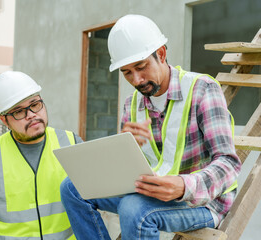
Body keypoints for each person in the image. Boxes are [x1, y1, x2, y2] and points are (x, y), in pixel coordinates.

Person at [60, 14, 241, 240]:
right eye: (126, 72)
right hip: (150, 191)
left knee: (133, 208)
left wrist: (184, 186)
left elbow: (229, 163)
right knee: (72, 188)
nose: (136, 80)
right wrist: (122, 152)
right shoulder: (131, 104)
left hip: (201, 202)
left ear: (162, 54)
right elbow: (133, 170)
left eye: (141, 66)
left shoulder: (203, 90)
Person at [0, 71, 81, 240]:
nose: (31, 114)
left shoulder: (71, 143)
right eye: (18, 111)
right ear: (4, 120)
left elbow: (99, 197)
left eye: (35, 104)